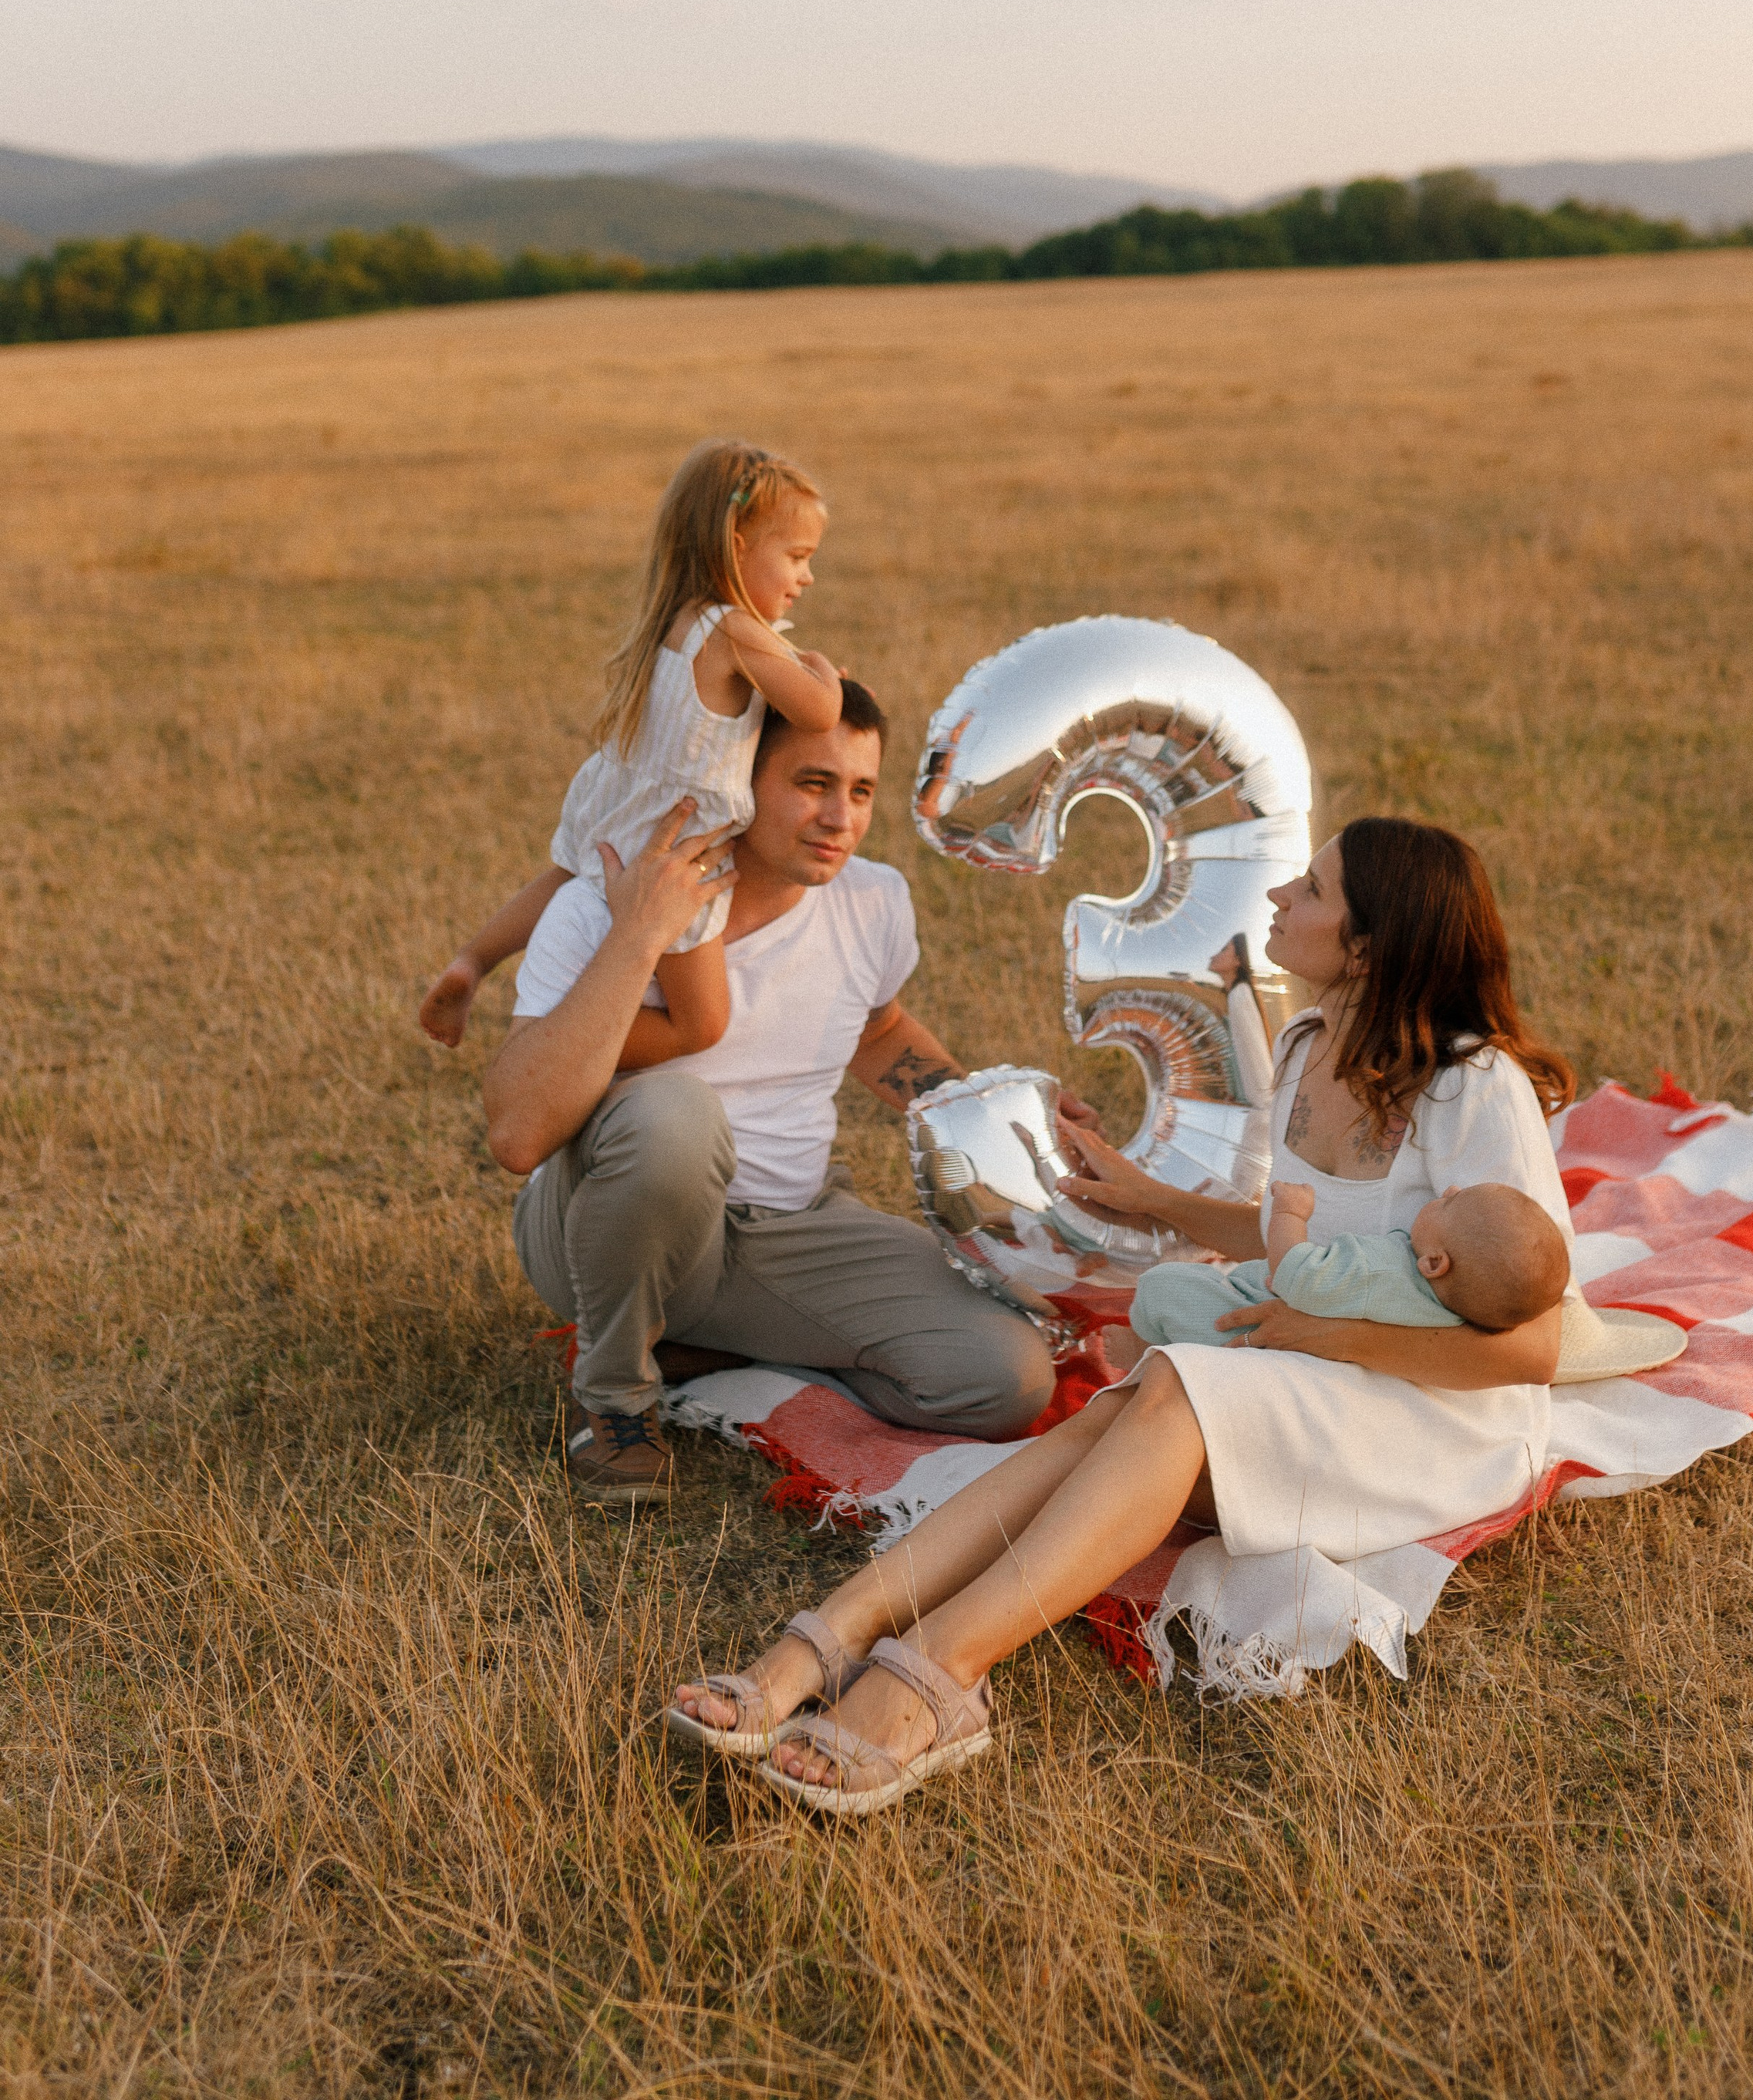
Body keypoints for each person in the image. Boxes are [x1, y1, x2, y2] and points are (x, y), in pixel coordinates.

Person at [666, 815, 1576, 1810]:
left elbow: (1534, 1346)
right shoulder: (1312, 1039)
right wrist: (1148, 1200)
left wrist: (1314, 1334)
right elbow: (1305, 1242)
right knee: (1117, 1416)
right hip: (1309, 1366)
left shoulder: (1472, 1087)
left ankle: (936, 1672)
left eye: (1310, 890)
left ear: (1367, 948)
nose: (1279, 898)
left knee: (1176, 1387)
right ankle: (828, 1639)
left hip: (1434, 1413)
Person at [456, 681, 1059, 1505]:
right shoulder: (600, 905)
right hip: (604, 1227)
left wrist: (993, 1123)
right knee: (676, 1116)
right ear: (740, 785)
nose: (840, 818)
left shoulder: (874, 901)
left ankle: (707, 1347)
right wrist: (640, 934)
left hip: (791, 1226)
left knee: (1003, 1379)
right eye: (811, 785)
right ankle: (615, 1398)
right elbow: (518, 1136)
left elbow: (878, 1032)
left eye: (859, 791)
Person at [421, 438, 842, 1060]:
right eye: (798, 556)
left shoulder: (677, 619)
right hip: (674, 845)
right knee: (701, 1025)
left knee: (566, 876)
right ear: (737, 545)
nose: (807, 576)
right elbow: (820, 710)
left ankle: (473, 959)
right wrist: (823, 668)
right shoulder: (733, 630)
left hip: (617, 794)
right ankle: (552, 1042)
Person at [1124, 1175, 1570, 1351]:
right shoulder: (1444, 1309)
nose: (1449, 1190)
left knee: (1165, 1284)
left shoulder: (1378, 1270)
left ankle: (1143, 1345)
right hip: (1295, 1347)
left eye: (1450, 1205)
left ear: (1434, 1262)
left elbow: (1292, 1274)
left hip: (1248, 1327)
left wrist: (1290, 1215)